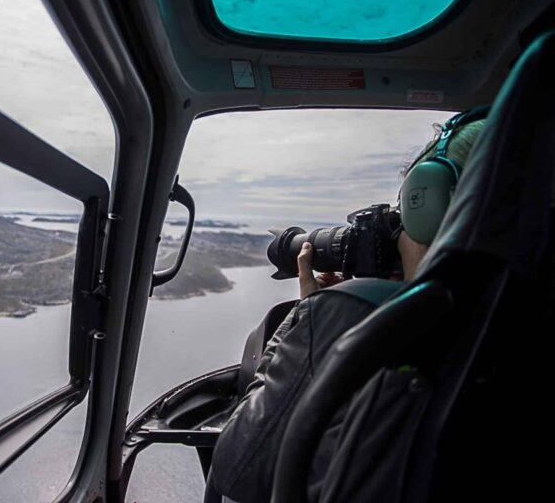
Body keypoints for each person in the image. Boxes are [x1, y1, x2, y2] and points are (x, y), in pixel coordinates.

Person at [208, 113, 487, 503]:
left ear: (432, 209)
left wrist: (312, 324)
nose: (397, 234)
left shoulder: (344, 318)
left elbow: (236, 472)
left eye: (404, 217)